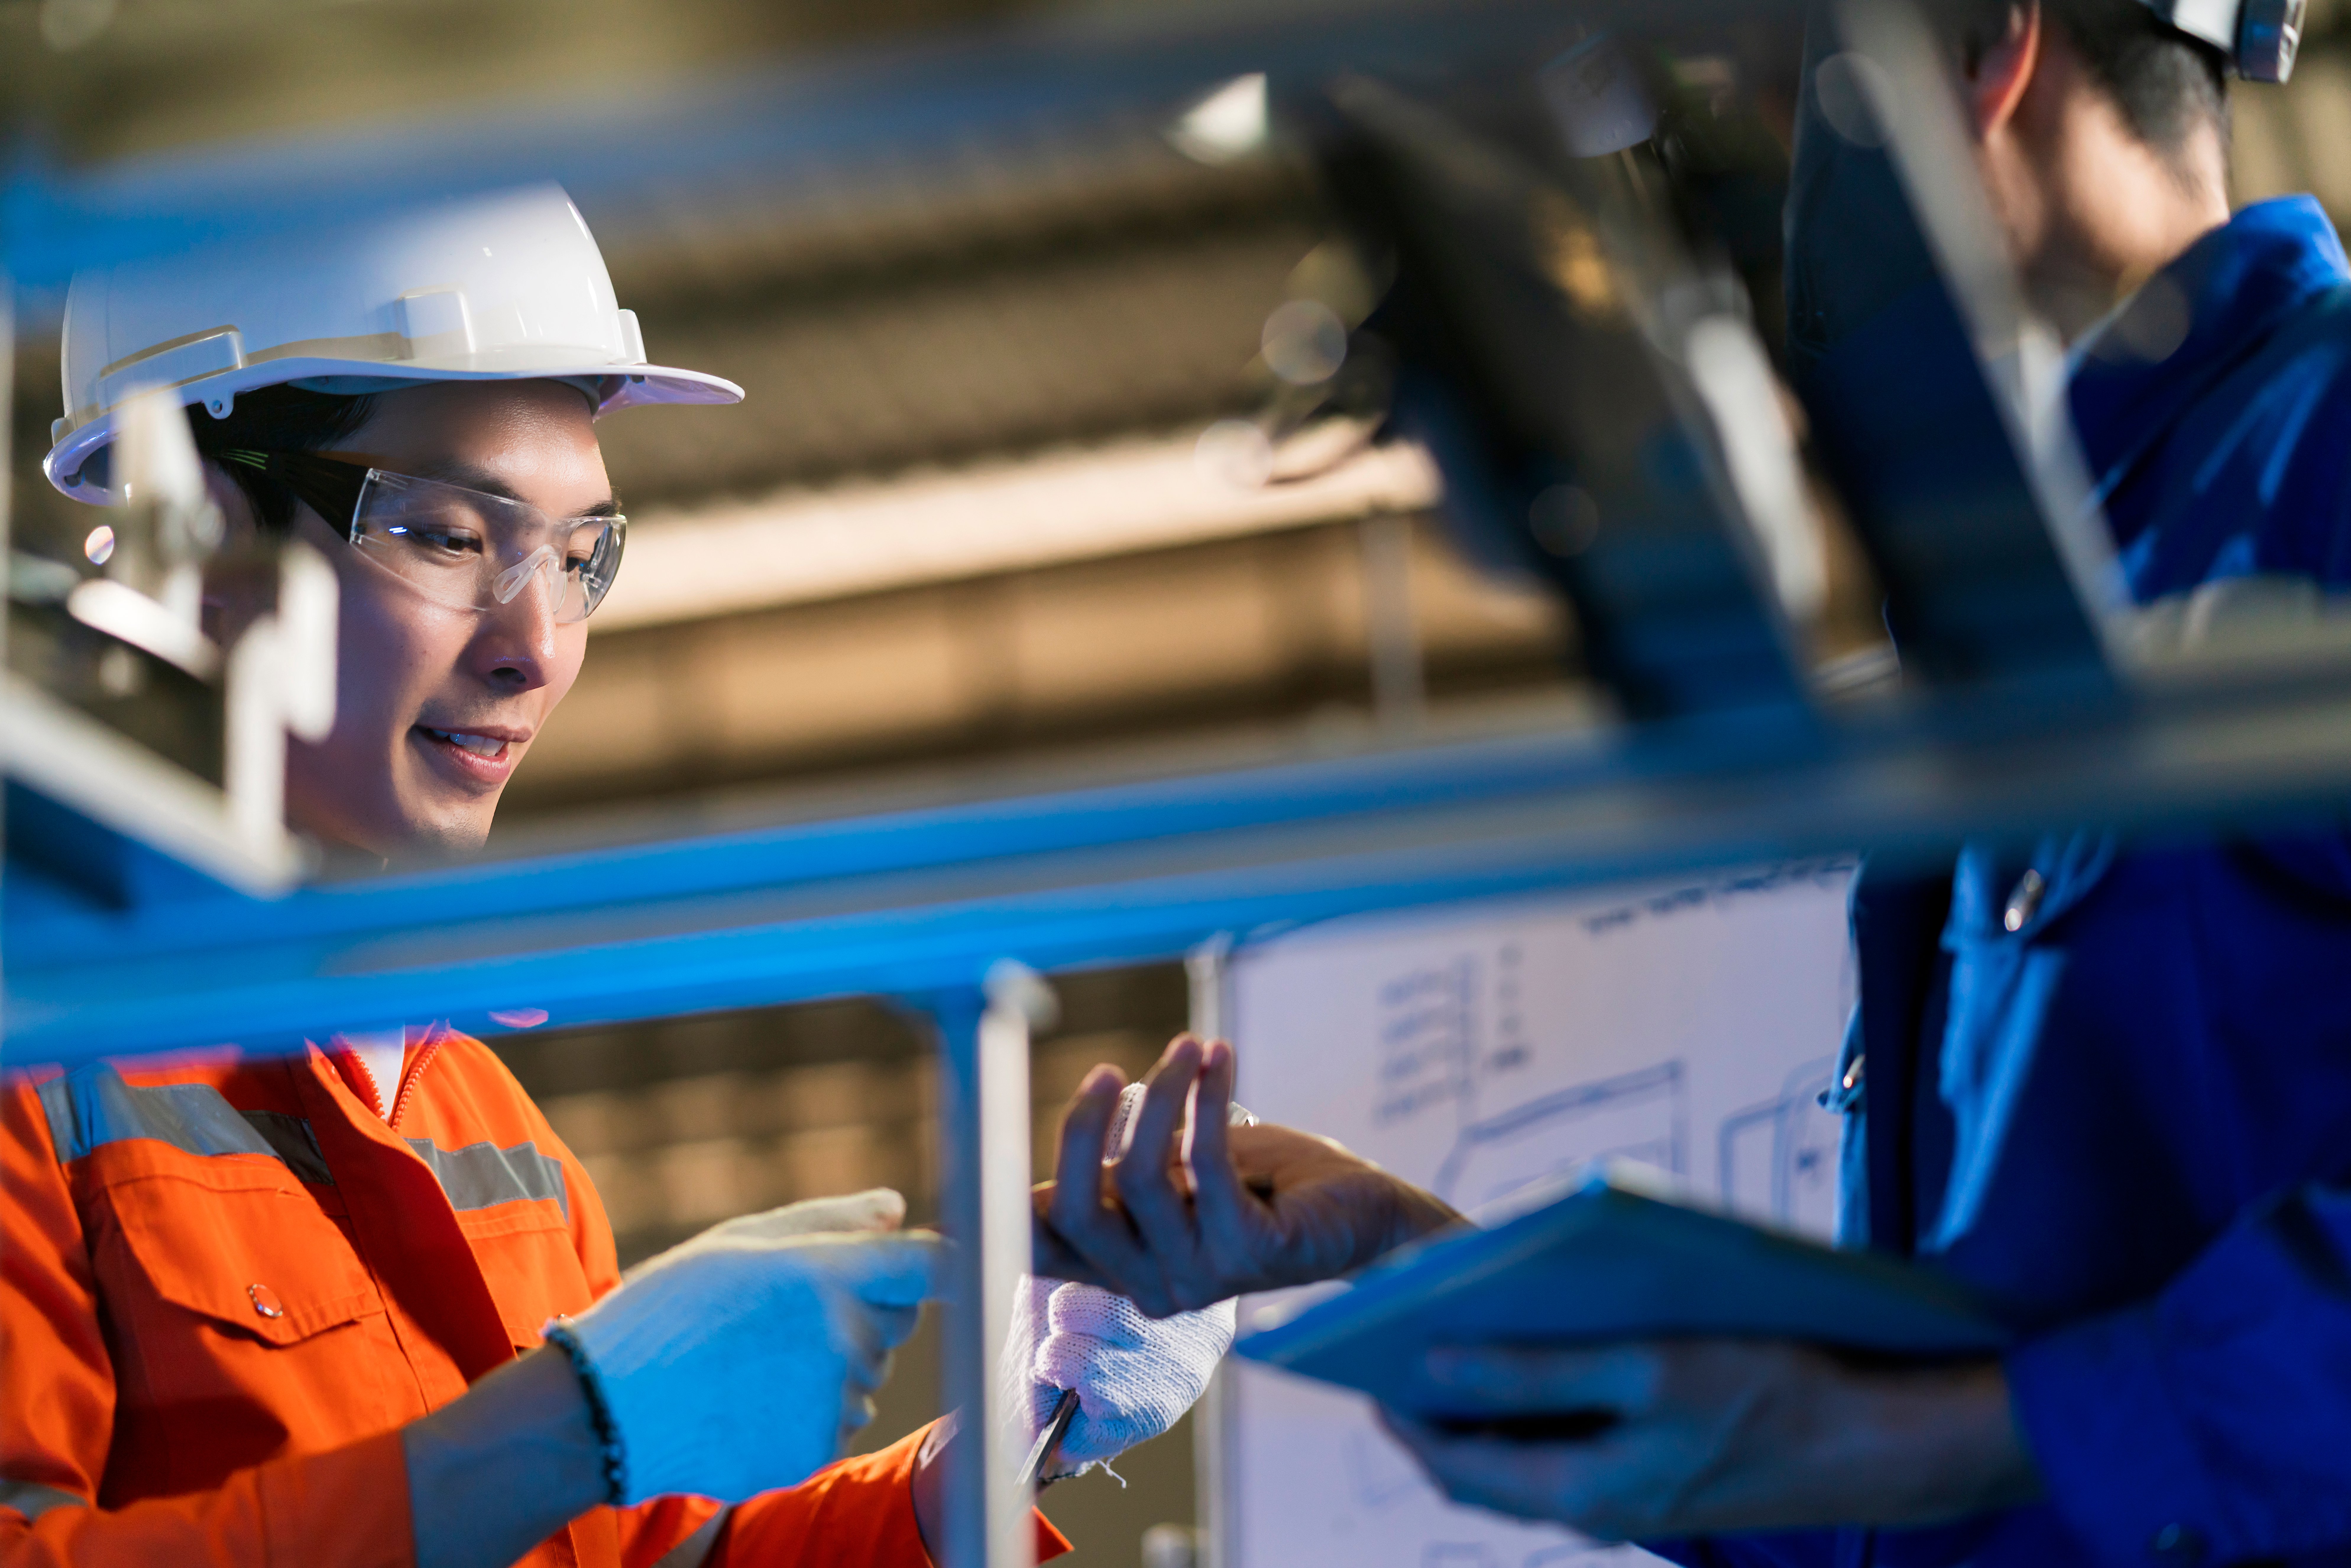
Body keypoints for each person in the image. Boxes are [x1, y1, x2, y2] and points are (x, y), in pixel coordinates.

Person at [1033, 1, 2351, 1562]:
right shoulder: (2005, 620)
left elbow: (1954, 1444)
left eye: (1762, 95)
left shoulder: (2316, 460)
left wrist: (1896, 1436)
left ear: (1976, 49)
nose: (1745, 208)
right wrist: (1405, 1250)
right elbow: (1921, 1493)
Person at [2, 186, 1220, 1568]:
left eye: (578, 556)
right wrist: (558, 1430)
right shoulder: (35, 1054)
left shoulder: (487, 1125)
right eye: (450, 536)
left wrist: (1000, 1449)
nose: (536, 646)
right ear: (200, 539)